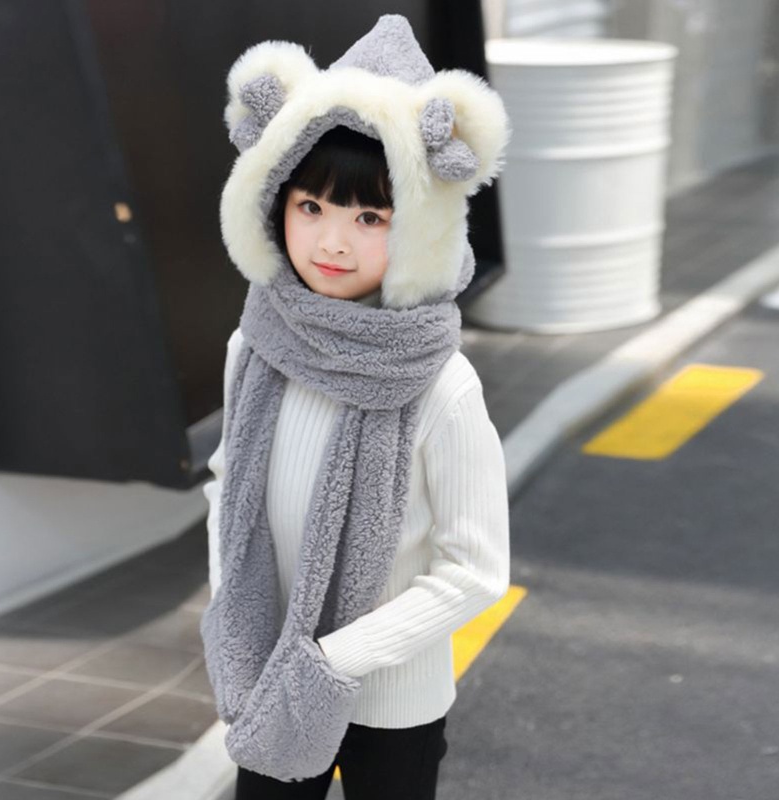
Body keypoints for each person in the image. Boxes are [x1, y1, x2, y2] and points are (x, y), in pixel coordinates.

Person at [200, 14, 511, 800]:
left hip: (392, 703)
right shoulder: (256, 346)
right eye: (311, 207)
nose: (332, 242)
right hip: (270, 676)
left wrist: (329, 662)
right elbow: (227, 485)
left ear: (422, 227)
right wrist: (236, 616)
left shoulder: (441, 383)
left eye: (370, 217)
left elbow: (476, 570)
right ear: (274, 201)